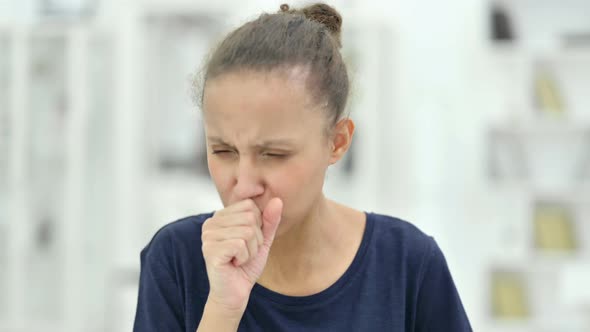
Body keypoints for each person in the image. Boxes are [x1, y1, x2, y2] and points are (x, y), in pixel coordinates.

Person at [133, 3, 472, 331]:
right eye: (223, 150)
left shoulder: (407, 263)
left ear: (337, 142)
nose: (244, 184)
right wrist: (223, 308)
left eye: (274, 154)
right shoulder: (176, 259)